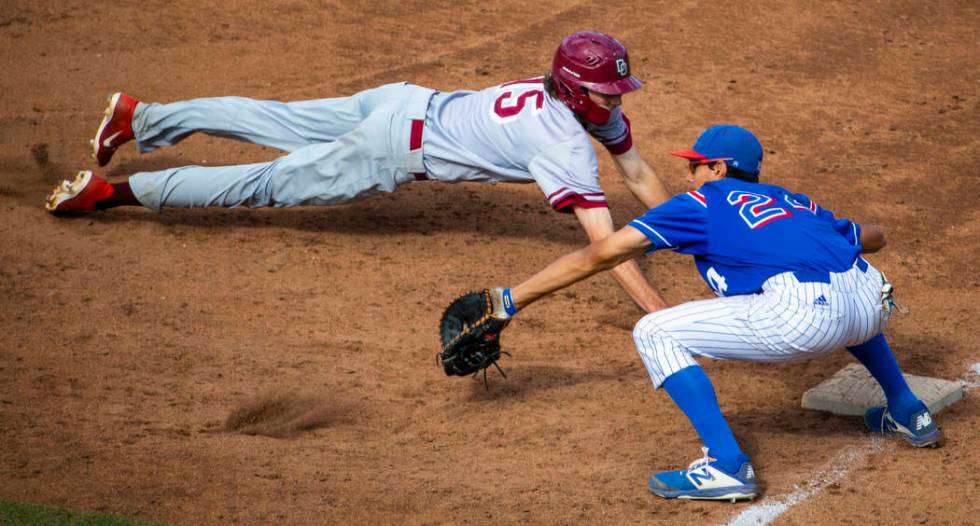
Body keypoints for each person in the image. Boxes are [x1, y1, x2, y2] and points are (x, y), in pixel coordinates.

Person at [472, 124, 942, 501]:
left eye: (695, 165)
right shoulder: (795, 201)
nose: (689, 175)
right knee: (839, 287)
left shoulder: (698, 203)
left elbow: (601, 254)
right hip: (874, 299)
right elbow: (873, 236)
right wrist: (843, 239)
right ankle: (909, 410)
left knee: (656, 332)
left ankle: (725, 467)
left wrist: (512, 299)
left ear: (717, 168)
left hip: (807, 315)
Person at [44, 31, 670, 313]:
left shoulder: (566, 101)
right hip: (389, 148)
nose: (617, 101)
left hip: (401, 100)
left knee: (272, 119)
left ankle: (141, 116)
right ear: (576, 88)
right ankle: (107, 195)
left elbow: (637, 172)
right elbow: (602, 245)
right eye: (608, 92)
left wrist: (695, 220)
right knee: (263, 181)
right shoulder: (563, 138)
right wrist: (656, 307)